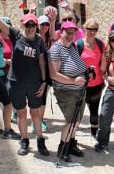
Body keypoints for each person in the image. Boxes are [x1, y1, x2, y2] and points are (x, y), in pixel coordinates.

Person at [0, 0, 49, 156]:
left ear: (36, 26)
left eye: (33, 25)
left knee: (35, 113)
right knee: (22, 113)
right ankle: (24, 141)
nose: (30, 27)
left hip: (35, 83)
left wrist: (44, 82)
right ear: (22, 25)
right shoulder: (16, 35)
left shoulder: (39, 40)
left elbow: (42, 62)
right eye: (27, 24)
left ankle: (40, 142)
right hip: (16, 83)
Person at [49, 21, 87, 162]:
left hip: (78, 91)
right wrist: (73, 81)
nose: (71, 35)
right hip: (66, 91)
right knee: (72, 121)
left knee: (76, 121)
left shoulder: (72, 46)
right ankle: (62, 148)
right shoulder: (56, 49)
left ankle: (71, 144)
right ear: (61, 32)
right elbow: (53, 74)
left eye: (73, 33)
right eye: (68, 32)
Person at [76, 19, 106, 138]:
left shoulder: (100, 44)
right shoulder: (78, 44)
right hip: (81, 84)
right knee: (77, 112)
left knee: (94, 111)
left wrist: (104, 75)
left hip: (96, 83)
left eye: (95, 30)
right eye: (90, 29)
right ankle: (71, 137)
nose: (92, 32)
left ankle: (94, 135)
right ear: (84, 29)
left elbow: (103, 63)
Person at [28, 15, 53, 133]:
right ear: (38, 25)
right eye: (42, 24)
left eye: (47, 24)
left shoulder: (50, 39)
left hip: (46, 71)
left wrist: (53, 20)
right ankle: (34, 121)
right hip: (34, 71)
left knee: (43, 97)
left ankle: (39, 120)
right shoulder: (34, 37)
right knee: (34, 96)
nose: (45, 27)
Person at [0, 16, 18, 123]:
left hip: (13, 70)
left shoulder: (13, 38)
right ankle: (7, 113)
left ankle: (14, 112)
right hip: (1, 71)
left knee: (14, 92)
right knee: (4, 94)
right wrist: (6, 61)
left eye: (9, 25)